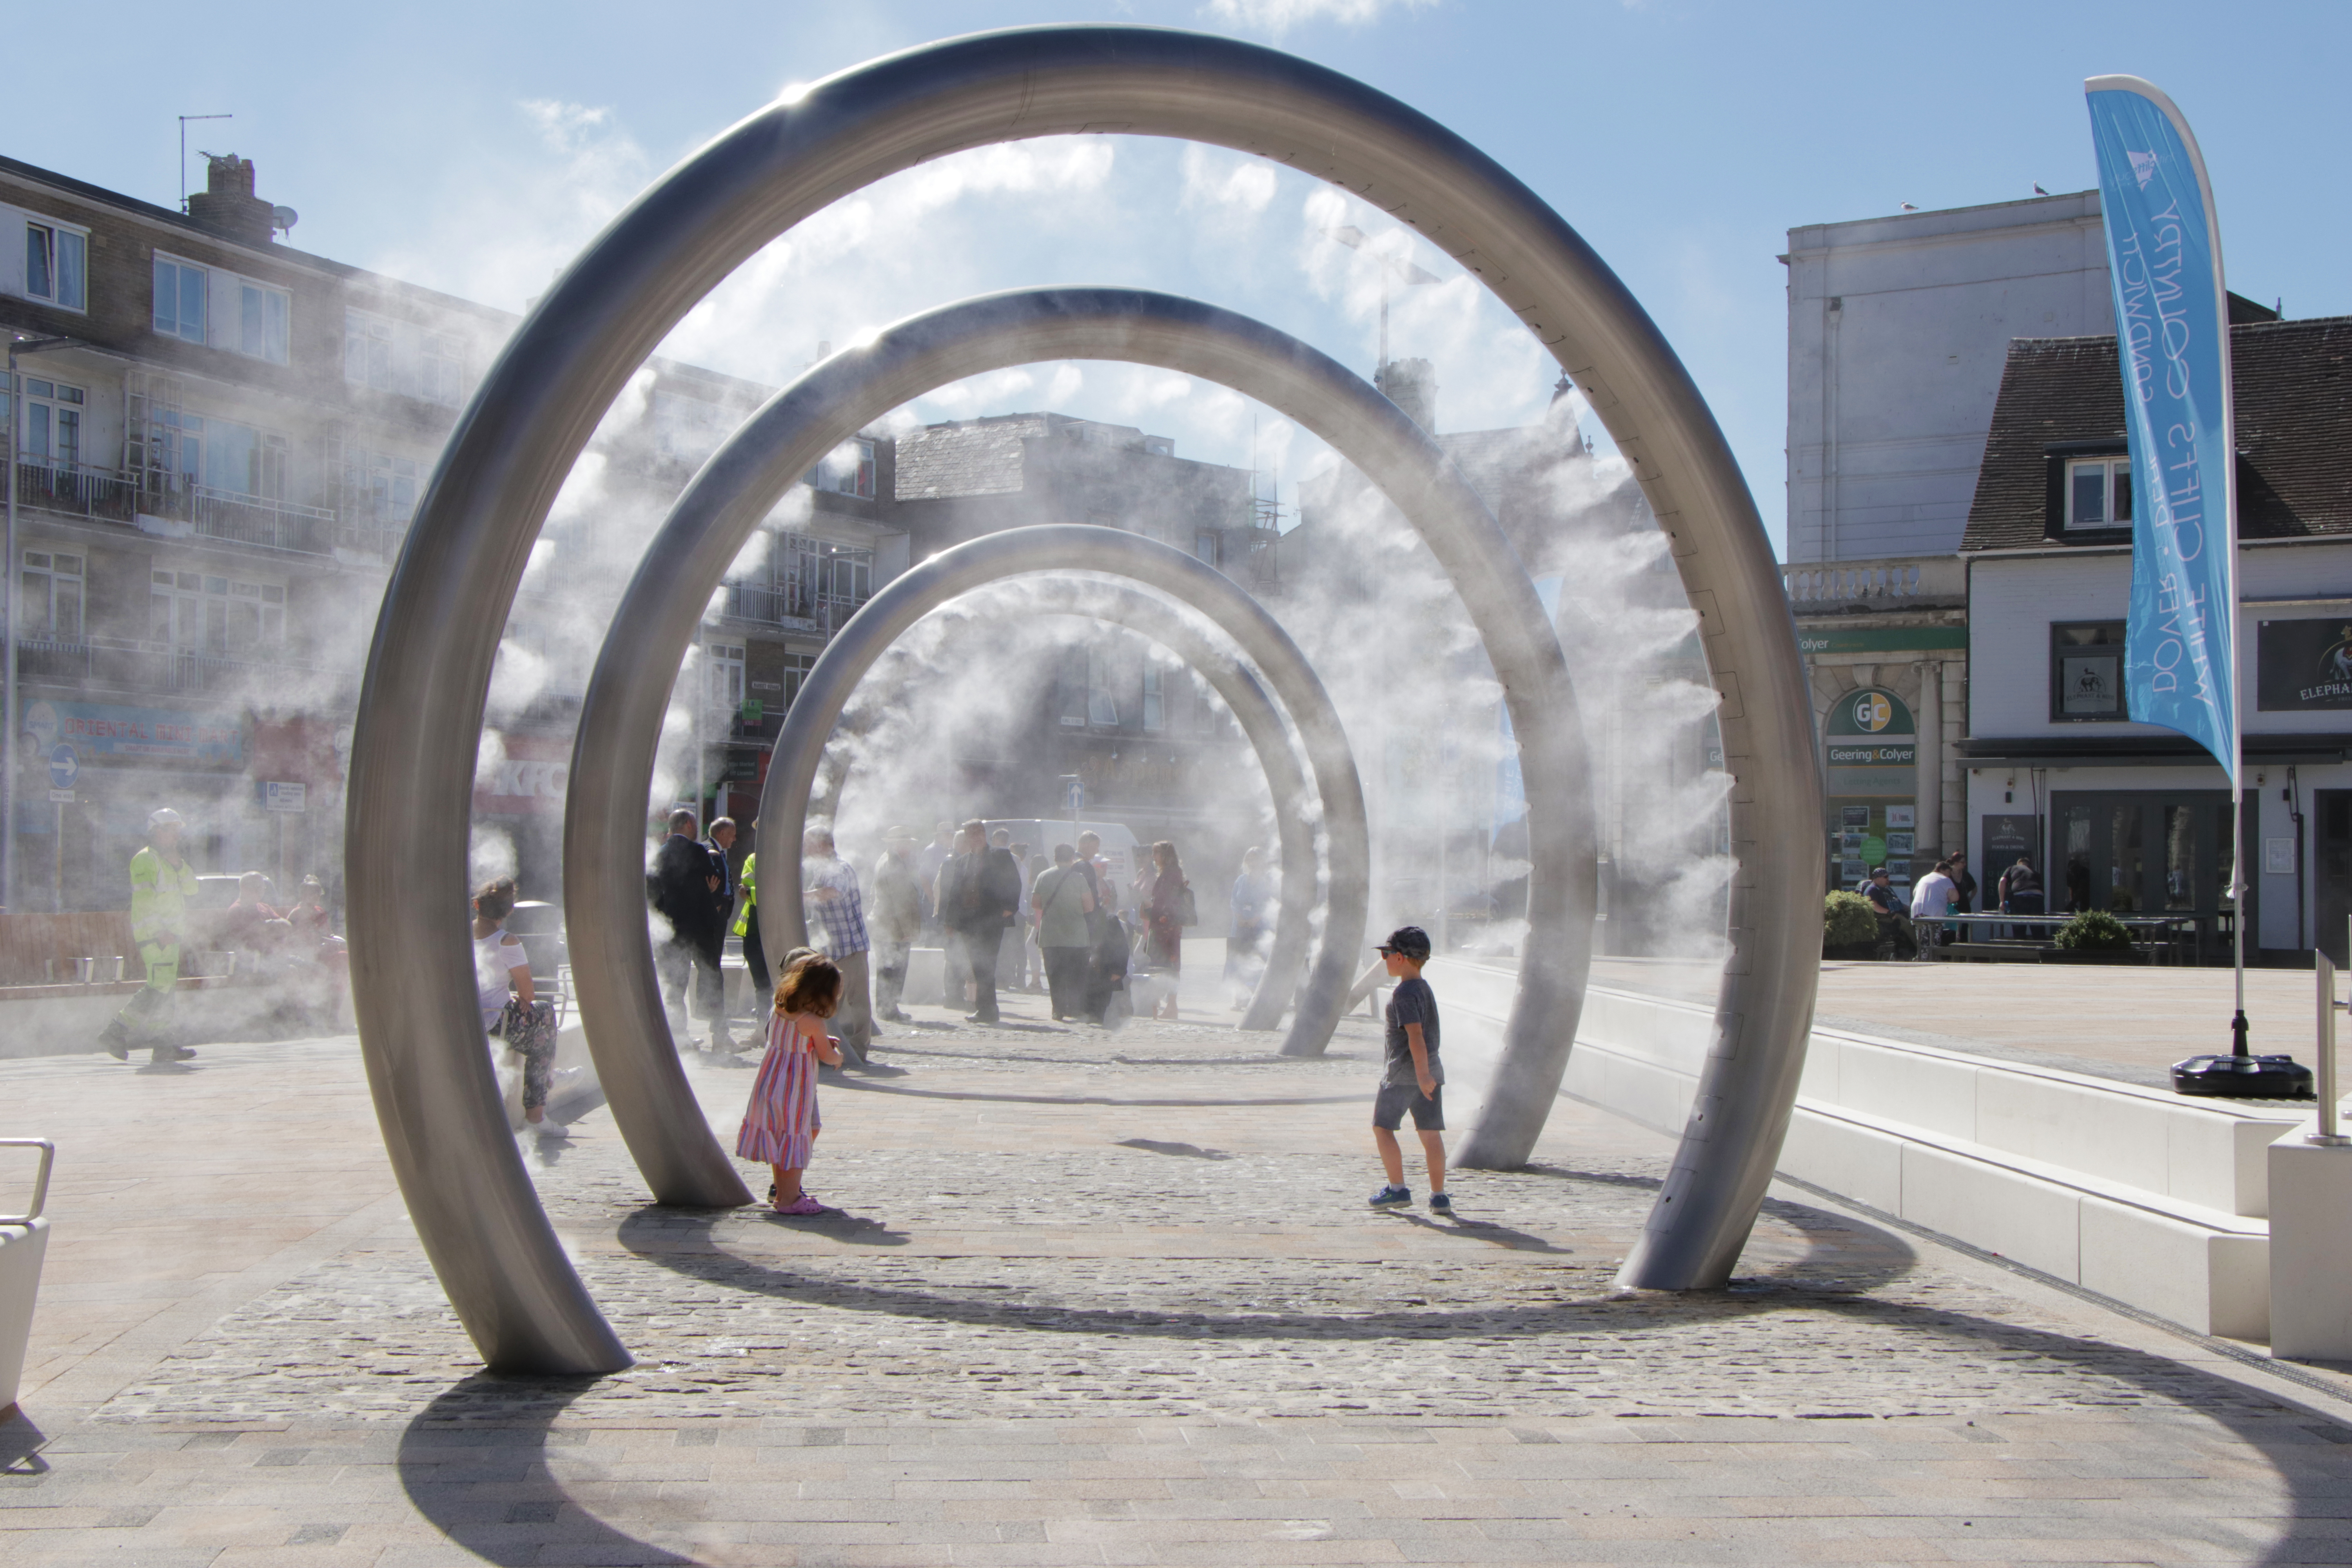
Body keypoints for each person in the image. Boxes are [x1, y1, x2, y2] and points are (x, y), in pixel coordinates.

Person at [736, 952, 847, 1216]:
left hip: (771, 1082)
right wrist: (839, 1057)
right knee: (796, 1139)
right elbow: (825, 1055)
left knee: (781, 1137)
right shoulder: (813, 1022)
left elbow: (793, 1038)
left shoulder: (780, 1007)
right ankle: (790, 1200)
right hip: (794, 1089)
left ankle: (784, 1193)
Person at [100, 808, 201, 1065]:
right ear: (157, 832)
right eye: (173, 831)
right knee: (159, 987)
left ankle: (162, 1045)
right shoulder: (145, 860)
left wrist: (179, 864)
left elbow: (193, 888)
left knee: (165, 989)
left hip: (169, 936)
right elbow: (145, 901)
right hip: (157, 936)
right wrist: (160, 931)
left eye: (179, 831)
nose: (178, 837)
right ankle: (116, 1031)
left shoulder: (170, 860)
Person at [1367, 926, 1448, 1214]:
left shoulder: (1403, 993)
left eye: (1387, 954)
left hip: (1402, 1075)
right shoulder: (1425, 988)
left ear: (1400, 958)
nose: (1384, 959)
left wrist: (1421, 1074)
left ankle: (1397, 1190)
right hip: (1432, 1074)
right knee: (1430, 1133)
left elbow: (1415, 1035)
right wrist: (1429, 1075)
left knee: (1382, 1128)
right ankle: (1439, 1196)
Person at [474, 876, 561, 1135]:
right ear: (510, 910)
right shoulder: (506, 941)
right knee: (544, 1016)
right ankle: (536, 1116)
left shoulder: (459, 935)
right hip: (494, 1022)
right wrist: (517, 998)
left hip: (467, 1018)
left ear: (477, 906)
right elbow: (527, 992)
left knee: (538, 1022)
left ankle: (551, 1075)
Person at [650, 808, 728, 1051]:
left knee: (674, 985)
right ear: (686, 825)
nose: (696, 829)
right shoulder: (697, 851)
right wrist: (710, 891)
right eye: (694, 824)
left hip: (671, 931)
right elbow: (715, 880)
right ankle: (720, 1036)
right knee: (712, 976)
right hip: (701, 927)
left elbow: (651, 891)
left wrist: (666, 913)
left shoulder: (659, 854)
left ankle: (679, 1038)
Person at [801, 826, 873, 1064]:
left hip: (850, 947)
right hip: (833, 950)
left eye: (809, 844)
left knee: (857, 1003)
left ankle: (858, 1051)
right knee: (832, 1003)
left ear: (823, 845)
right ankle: (832, 1051)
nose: (806, 849)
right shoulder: (822, 870)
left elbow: (833, 892)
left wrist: (802, 896)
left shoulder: (840, 869)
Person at [939, 820, 1022, 1023]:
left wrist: (1010, 908)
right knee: (977, 967)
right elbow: (954, 894)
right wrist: (950, 922)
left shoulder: (1000, 856)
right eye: (973, 833)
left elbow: (1014, 882)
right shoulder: (961, 862)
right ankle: (985, 1010)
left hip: (992, 919)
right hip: (969, 922)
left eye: (981, 832)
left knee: (987, 965)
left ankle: (988, 1010)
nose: (977, 836)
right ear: (966, 837)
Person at [1033, 843, 1097, 1021]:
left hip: (1051, 936)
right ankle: (1074, 1008)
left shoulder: (1043, 876)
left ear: (1055, 858)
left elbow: (1036, 904)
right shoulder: (1079, 878)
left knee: (1055, 975)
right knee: (1076, 974)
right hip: (1076, 936)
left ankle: (1058, 1009)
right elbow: (1090, 906)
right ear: (1072, 859)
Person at [869, 828, 924, 1022]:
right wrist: (906, 931)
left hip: (885, 925)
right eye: (905, 843)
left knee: (887, 970)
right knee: (893, 970)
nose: (909, 846)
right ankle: (888, 1009)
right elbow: (901, 902)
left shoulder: (886, 859)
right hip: (893, 928)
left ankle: (887, 1008)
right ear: (895, 844)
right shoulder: (893, 863)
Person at [1136, 840, 1190, 1020]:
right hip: (1165, 926)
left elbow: (1166, 902)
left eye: (1156, 853)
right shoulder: (1170, 873)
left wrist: (1150, 908)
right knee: (1166, 965)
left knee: (1165, 966)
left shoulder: (1171, 874)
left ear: (1166, 855)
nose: (1153, 857)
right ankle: (1167, 1005)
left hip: (1166, 927)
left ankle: (1168, 1006)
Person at [1226, 846, 1274, 1009]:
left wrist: (1257, 918)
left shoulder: (1269, 881)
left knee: (1258, 960)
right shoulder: (1241, 880)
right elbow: (1234, 901)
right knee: (1238, 960)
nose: (1253, 862)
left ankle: (1258, 998)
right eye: (1250, 859)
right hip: (1240, 925)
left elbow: (1270, 901)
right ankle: (1238, 999)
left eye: (1256, 859)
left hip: (1260, 927)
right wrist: (1239, 917)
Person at [731, 828, 769, 1030]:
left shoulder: (782, 856)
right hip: (754, 931)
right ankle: (763, 1027)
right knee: (762, 984)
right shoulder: (753, 859)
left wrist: (754, 893)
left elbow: (772, 891)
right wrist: (758, 893)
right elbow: (746, 889)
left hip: (774, 929)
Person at [993, 829, 1026, 992]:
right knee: (1008, 947)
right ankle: (1005, 980)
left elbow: (1014, 884)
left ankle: (1001, 980)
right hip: (1013, 909)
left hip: (1001, 909)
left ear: (995, 839)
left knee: (1001, 946)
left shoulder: (993, 856)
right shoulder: (1016, 859)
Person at [1861, 866, 1916, 959]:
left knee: (1915, 922)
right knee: (1906, 923)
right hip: (1886, 917)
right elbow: (1873, 905)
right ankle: (1920, 949)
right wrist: (1888, 912)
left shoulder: (1888, 889)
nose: (1888, 879)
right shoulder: (1872, 890)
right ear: (1878, 879)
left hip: (1898, 913)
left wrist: (1910, 909)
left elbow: (1897, 902)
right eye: (1886, 877)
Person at [1909, 858, 1958, 960]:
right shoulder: (1945, 879)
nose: (1950, 875)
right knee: (1934, 940)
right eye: (1949, 872)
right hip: (1934, 912)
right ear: (1942, 870)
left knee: (1922, 940)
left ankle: (1922, 958)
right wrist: (1946, 899)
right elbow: (1955, 897)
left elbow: (1915, 893)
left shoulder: (1923, 878)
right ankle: (1933, 959)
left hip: (1918, 912)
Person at [1946, 851, 1978, 916]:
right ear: (1956, 863)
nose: (1965, 864)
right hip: (1952, 908)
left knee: (1966, 925)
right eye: (1963, 862)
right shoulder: (1948, 875)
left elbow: (1975, 888)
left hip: (1965, 908)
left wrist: (1970, 898)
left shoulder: (1966, 875)